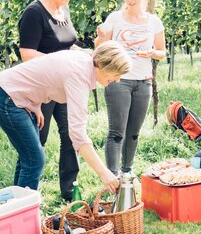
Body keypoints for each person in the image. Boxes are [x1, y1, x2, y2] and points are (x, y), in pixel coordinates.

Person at [0, 40, 131, 193]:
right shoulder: (79, 74)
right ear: (103, 66)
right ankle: (22, 212)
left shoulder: (84, 62)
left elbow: (43, 74)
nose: (117, 80)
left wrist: (34, 103)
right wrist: (104, 173)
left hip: (15, 94)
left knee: (29, 158)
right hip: (8, 96)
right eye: (117, 74)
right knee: (34, 159)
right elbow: (77, 134)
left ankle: (16, 209)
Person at [18, 0, 84, 201]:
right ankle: (25, 196)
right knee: (37, 142)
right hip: (41, 89)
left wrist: (84, 54)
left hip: (65, 86)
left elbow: (67, 43)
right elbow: (27, 54)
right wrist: (63, 60)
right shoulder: (34, 13)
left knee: (71, 136)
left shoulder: (63, 10)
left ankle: (70, 191)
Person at [95, 0, 166, 176]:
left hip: (143, 82)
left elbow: (162, 52)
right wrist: (99, 38)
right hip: (118, 81)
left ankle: (127, 172)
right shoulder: (114, 18)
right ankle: (112, 175)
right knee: (116, 133)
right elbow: (102, 48)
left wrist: (153, 53)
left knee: (133, 134)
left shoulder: (154, 22)